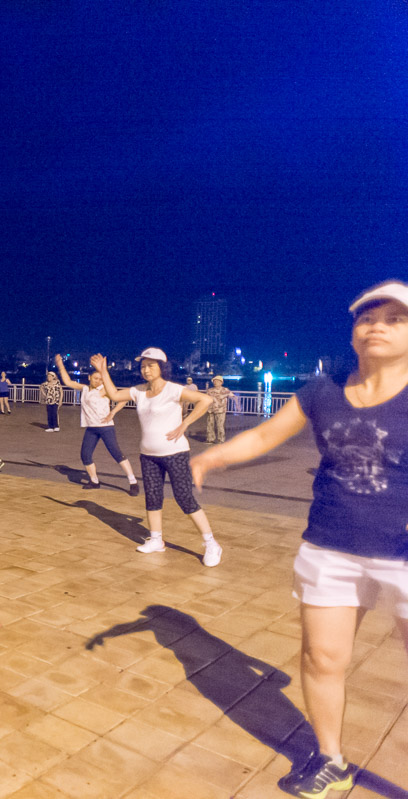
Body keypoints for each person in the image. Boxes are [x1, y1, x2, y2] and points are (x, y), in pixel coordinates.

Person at [191, 280, 408, 799]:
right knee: (321, 660)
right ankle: (330, 759)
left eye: (395, 318)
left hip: (402, 552)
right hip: (331, 544)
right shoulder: (323, 389)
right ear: (353, 333)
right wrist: (210, 456)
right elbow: (267, 434)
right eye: (366, 318)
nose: (377, 325)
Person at [92, 348, 221, 566]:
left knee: (184, 498)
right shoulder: (139, 391)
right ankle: (156, 539)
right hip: (148, 455)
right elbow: (114, 395)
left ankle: (211, 544)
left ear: (162, 367)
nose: (146, 369)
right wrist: (103, 371)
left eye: (151, 365)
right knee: (152, 497)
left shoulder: (173, 390)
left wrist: (185, 423)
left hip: (175, 453)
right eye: (143, 366)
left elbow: (205, 400)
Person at [54, 355, 139, 494]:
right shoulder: (85, 389)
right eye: (95, 378)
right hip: (91, 428)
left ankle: (133, 482)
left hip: (106, 428)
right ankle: (94, 481)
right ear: (89, 378)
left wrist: (113, 412)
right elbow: (68, 382)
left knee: (116, 454)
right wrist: (60, 365)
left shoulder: (105, 390)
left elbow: (124, 398)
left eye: (100, 379)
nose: (98, 381)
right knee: (85, 455)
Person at [204, 376, 234, 443]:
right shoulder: (209, 390)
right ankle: (210, 439)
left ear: (221, 382)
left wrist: (225, 396)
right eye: (214, 381)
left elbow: (232, 397)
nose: (215, 382)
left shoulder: (225, 390)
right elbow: (205, 399)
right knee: (209, 425)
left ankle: (221, 439)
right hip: (210, 410)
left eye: (217, 381)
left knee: (220, 425)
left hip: (220, 410)